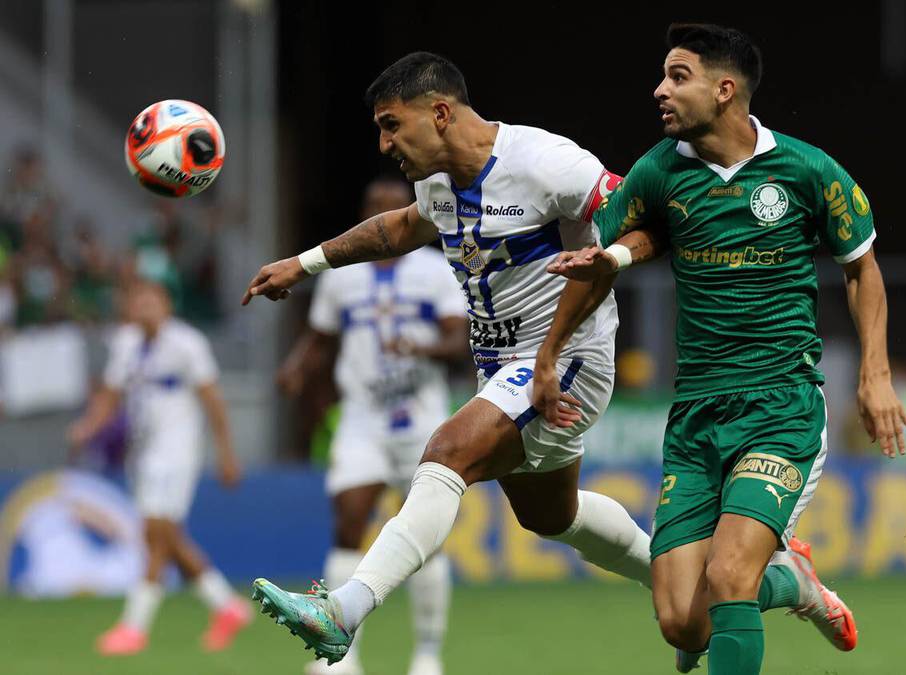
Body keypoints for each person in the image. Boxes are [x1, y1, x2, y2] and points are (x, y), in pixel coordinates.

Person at [241, 52, 654, 665]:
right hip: (505, 369)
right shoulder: (436, 181)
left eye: (390, 124)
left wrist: (612, 259)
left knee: (445, 454)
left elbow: (644, 220)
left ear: (439, 112)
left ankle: (344, 610)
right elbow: (400, 229)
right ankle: (686, 577)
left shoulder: (547, 163)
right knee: (552, 516)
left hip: (563, 359)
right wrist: (304, 264)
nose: (384, 144)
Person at [541, 24, 906, 674]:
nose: (660, 90)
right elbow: (609, 255)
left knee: (730, 574)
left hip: (781, 406)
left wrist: (876, 375)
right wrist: (550, 353)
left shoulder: (805, 169)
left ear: (725, 90)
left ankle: (768, 577)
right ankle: (795, 583)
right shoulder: (657, 172)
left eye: (677, 76)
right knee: (681, 623)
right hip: (696, 415)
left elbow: (862, 266)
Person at [277, 177, 468, 675]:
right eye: (372, 207)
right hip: (362, 417)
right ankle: (343, 657)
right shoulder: (342, 276)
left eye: (390, 207)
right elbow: (320, 338)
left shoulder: (434, 271)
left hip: (423, 419)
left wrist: (422, 347)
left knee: (427, 537)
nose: (381, 215)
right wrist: (297, 368)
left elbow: (458, 341)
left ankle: (427, 654)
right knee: (347, 524)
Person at [68, 280, 248, 655]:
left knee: (155, 533)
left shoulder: (187, 344)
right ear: (130, 307)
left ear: (167, 305)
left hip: (178, 452)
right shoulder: (126, 344)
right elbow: (111, 395)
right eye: (139, 301)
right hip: (145, 455)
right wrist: (88, 426)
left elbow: (213, 400)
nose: (146, 308)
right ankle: (227, 606)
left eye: (153, 301)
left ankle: (134, 628)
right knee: (165, 537)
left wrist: (226, 454)